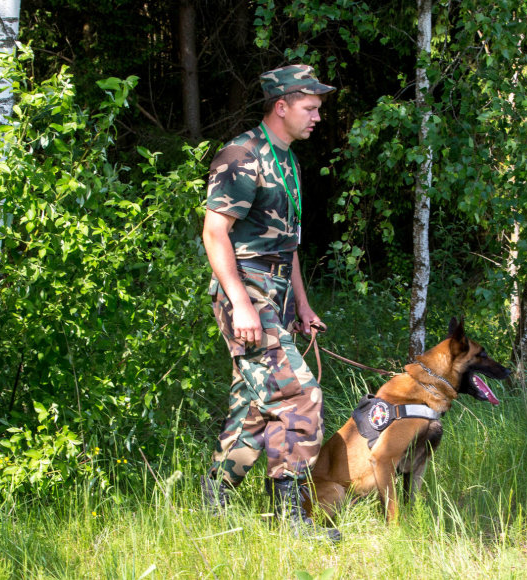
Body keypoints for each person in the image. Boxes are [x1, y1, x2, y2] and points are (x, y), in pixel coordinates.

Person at [200, 63, 339, 541]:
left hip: (276, 295)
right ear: (282, 107)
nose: (317, 116)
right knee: (301, 398)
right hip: (247, 293)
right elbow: (214, 233)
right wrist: (240, 304)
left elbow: (288, 244)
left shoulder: (288, 160)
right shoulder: (241, 156)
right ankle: (293, 522)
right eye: (310, 107)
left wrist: (301, 305)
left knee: (254, 409)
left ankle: (213, 502)